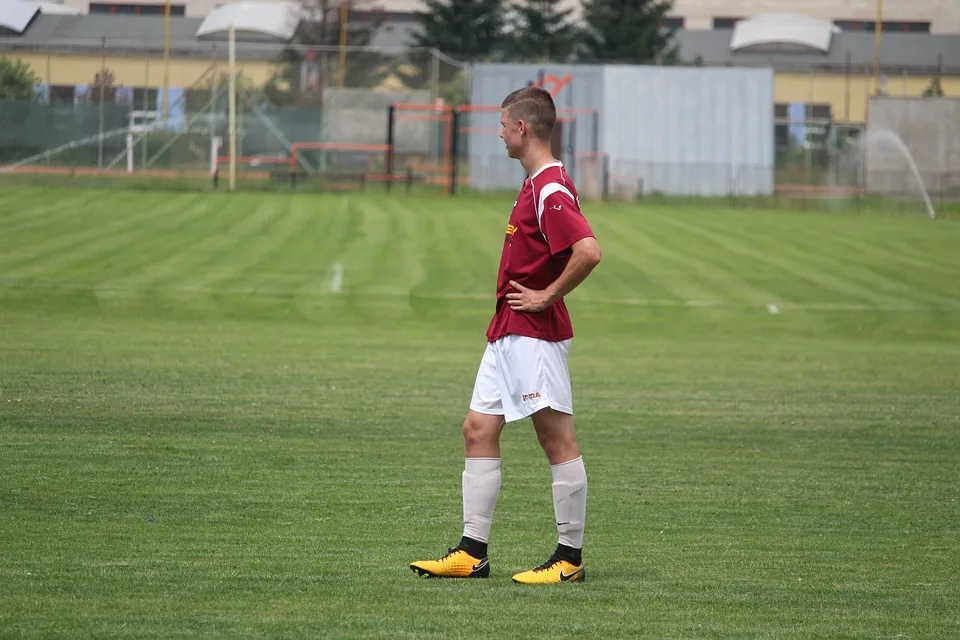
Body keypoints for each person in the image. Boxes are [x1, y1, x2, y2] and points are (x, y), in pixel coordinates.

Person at [410, 86, 602, 585]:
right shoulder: (534, 182)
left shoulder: (551, 189)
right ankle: (472, 554)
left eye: (503, 123)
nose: (498, 131)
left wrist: (546, 296)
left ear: (523, 128)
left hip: (533, 332)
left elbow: (588, 251)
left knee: (554, 437)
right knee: (478, 428)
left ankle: (570, 559)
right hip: (507, 332)